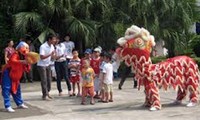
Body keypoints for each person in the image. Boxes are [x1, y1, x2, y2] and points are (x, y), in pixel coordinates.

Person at [1, 42, 30, 112]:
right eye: (25, 48)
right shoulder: (15, 53)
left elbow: (27, 68)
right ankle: (8, 105)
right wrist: (22, 61)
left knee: (17, 89)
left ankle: (20, 103)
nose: (26, 50)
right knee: (6, 88)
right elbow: (12, 61)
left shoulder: (24, 55)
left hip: (16, 75)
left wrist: (27, 62)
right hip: (8, 72)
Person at [37, 33, 56, 100]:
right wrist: (50, 54)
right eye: (53, 39)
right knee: (44, 80)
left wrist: (53, 57)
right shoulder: (43, 46)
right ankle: (44, 95)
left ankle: (47, 92)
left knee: (49, 79)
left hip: (48, 64)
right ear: (49, 39)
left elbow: (53, 56)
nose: (55, 40)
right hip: (41, 65)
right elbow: (41, 57)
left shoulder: (52, 46)